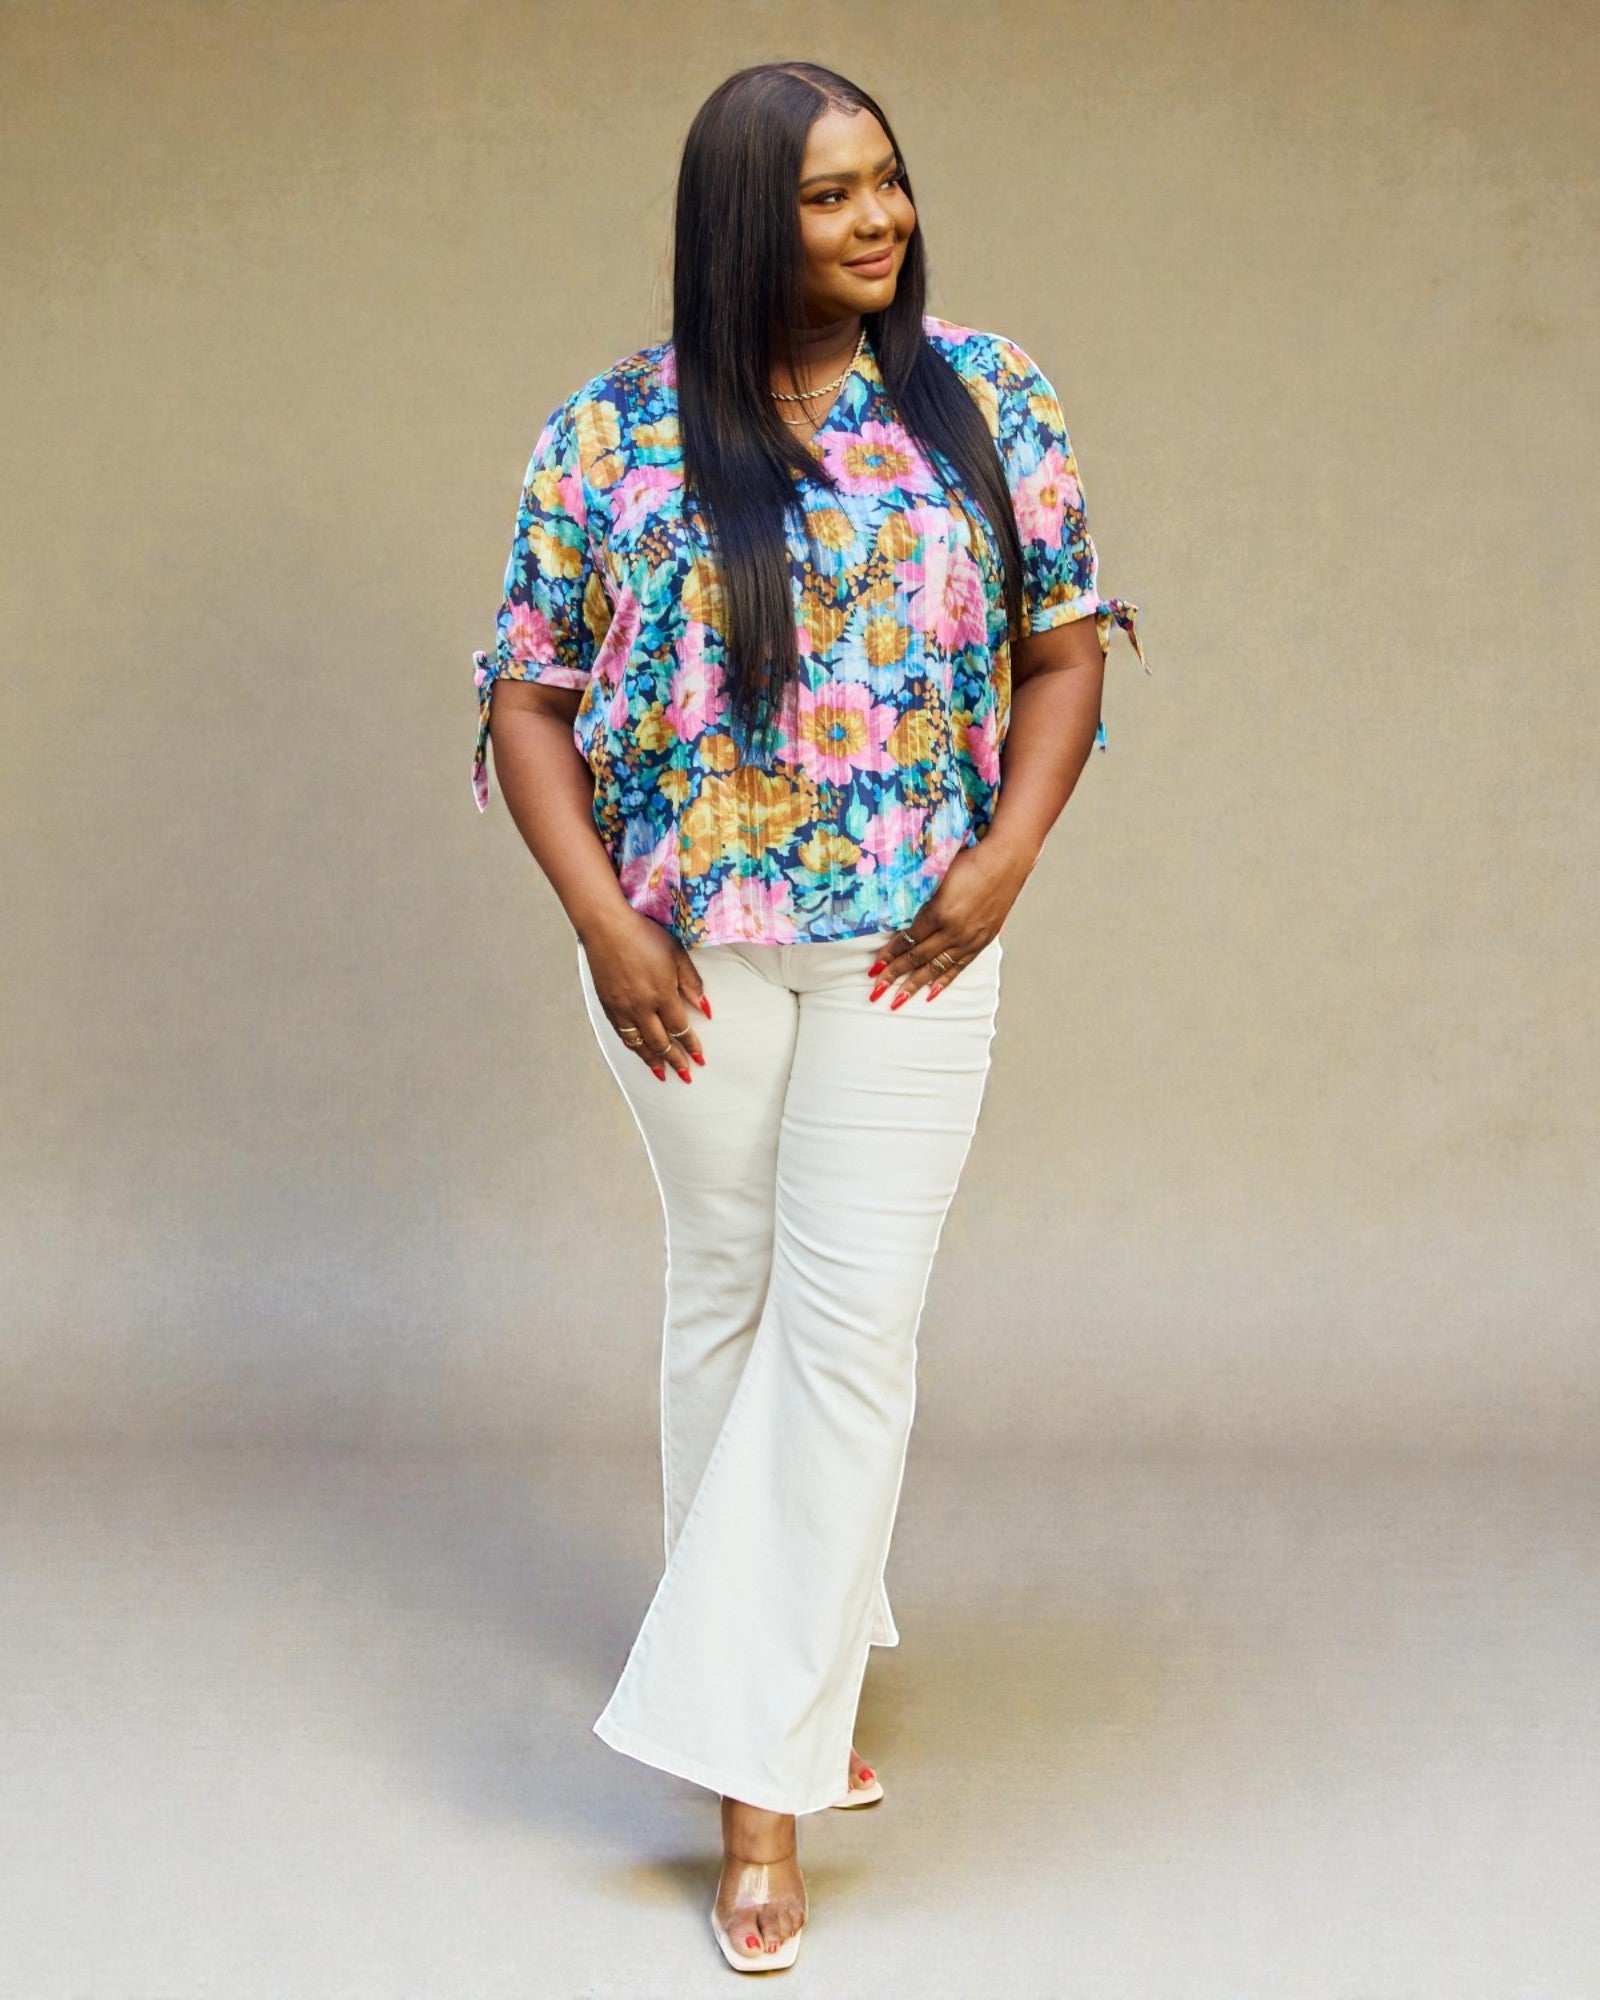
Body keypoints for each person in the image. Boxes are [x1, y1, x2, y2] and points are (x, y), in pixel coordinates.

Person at [470, 59, 1149, 1974]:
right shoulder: (606, 436)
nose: (880, 222)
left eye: (891, 184)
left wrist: (1004, 858)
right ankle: (791, 1691)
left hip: (908, 943)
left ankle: (756, 1793)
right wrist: (606, 928)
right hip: (676, 956)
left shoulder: (984, 398)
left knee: (846, 1326)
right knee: (733, 1303)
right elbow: (526, 694)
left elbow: (1064, 645)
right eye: (833, 196)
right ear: (739, 223)